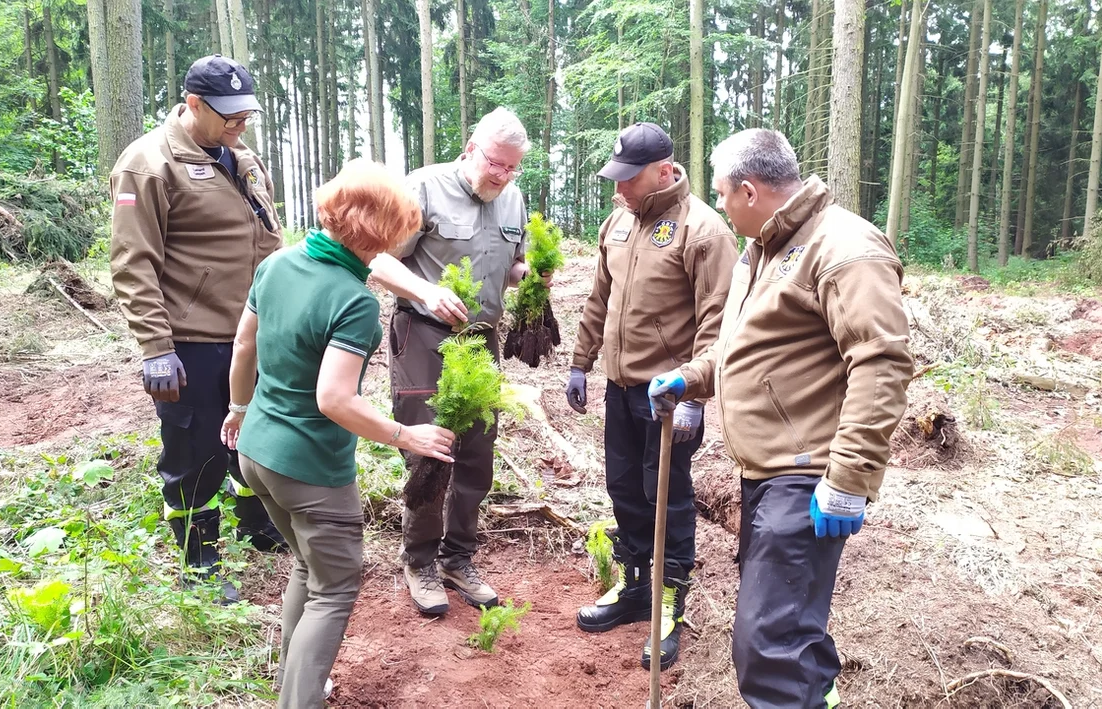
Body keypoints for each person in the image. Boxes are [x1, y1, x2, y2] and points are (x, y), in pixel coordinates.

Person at [647, 129, 913, 708]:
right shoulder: (760, 250)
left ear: (748, 190)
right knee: (791, 629)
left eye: (720, 193)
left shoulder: (843, 247)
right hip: (765, 472)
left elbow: (882, 361)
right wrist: (691, 378)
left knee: (768, 643)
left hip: (808, 473)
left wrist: (848, 479)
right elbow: (748, 347)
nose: (717, 204)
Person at [222, 159, 463, 708]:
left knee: (308, 567)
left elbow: (243, 348)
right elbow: (333, 399)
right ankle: (297, 701)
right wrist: (408, 435)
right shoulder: (354, 303)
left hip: (258, 450)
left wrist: (239, 408)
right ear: (379, 233)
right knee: (334, 590)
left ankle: (294, 681)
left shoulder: (279, 264)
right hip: (311, 469)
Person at [109, 54, 286, 603]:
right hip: (193, 338)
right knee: (196, 450)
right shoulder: (147, 164)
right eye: (229, 115)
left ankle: (257, 525)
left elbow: (267, 235)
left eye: (246, 113)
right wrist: (156, 348)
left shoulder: (242, 156)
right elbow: (133, 262)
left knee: (253, 436)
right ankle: (198, 561)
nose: (240, 124)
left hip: (252, 330)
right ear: (192, 105)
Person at [565, 122, 737, 670]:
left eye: (629, 179)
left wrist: (696, 393)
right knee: (624, 488)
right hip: (619, 386)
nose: (619, 190)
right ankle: (636, 586)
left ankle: (669, 604)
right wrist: (579, 362)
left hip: (669, 394)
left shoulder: (704, 231)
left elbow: (717, 321)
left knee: (665, 495)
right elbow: (599, 298)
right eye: (614, 179)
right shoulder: (617, 223)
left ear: (664, 172)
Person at [381, 107, 544, 615]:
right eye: (496, 163)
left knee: (477, 453)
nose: (504, 175)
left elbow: (509, 265)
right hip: (424, 336)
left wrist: (527, 274)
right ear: (471, 147)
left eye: (513, 168)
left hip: (481, 340)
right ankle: (420, 561)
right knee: (432, 449)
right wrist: (426, 293)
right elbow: (380, 259)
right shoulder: (422, 189)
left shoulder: (512, 200)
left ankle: (458, 558)